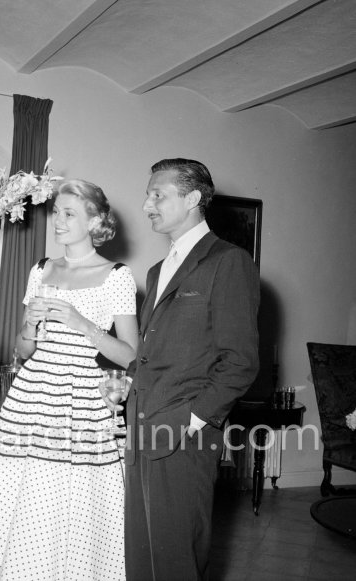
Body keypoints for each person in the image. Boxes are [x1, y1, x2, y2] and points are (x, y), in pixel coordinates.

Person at [0, 179, 139, 580]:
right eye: (56, 211)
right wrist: (29, 326)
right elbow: (25, 351)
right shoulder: (41, 269)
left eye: (69, 213)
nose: (57, 220)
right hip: (30, 397)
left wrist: (82, 324)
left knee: (69, 507)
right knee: (18, 501)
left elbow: (131, 356)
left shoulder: (117, 276)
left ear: (96, 221)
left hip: (83, 403)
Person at [119, 158, 260, 581]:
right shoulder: (157, 270)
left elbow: (240, 362)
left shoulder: (228, 262)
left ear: (194, 198)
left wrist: (190, 420)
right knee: (142, 557)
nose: (147, 205)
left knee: (177, 559)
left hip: (184, 433)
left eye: (157, 194)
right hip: (141, 427)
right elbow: (153, 350)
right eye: (148, 194)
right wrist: (128, 386)